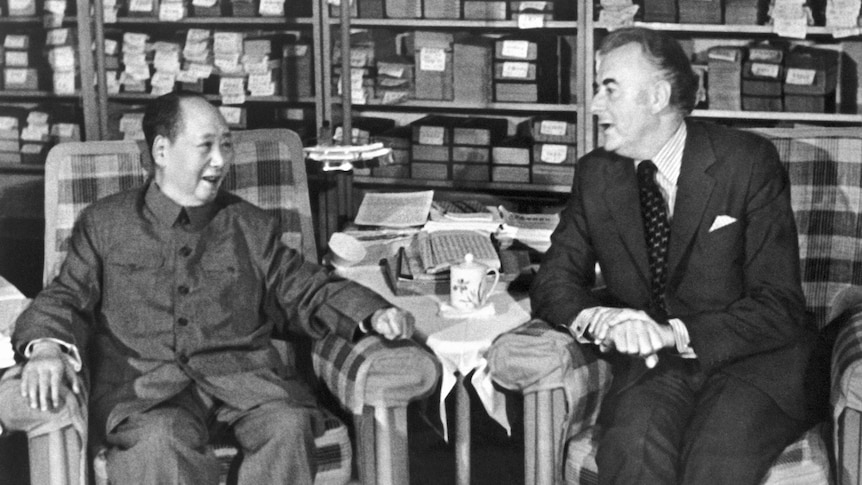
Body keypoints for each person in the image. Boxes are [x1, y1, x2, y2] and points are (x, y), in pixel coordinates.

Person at [10, 91, 415, 484]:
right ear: (161, 151)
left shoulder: (251, 225)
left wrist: (372, 313)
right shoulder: (105, 224)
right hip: (147, 394)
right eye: (206, 146)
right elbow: (66, 297)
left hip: (245, 382)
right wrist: (46, 349)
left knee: (289, 425)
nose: (220, 161)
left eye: (226, 145)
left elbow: (304, 288)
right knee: (157, 443)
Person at [530, 27, 814, 485]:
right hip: (655, 370)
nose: (596, 106)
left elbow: (778, 305)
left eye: (609, 89)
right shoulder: (596, 174)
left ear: (658, 95)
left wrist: (668, 332)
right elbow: (554, 282)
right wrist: (602, 319)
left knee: (712, 464)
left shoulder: (747, 162)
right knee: (632, 454)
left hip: (753, 364)